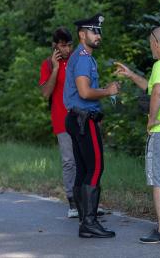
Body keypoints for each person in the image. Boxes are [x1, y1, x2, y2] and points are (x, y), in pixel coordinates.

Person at [115, 27, 160, 244]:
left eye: (150, 43)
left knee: (159, 180)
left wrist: (151, 119)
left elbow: (157, 92)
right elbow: (151, 87)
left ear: (157, 43)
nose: (150, 48)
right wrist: (131, 75)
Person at [64, 14, 119, 238]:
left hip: (78, 118)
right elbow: (85, 92)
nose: (98, 35)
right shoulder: (84, 58)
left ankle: (84, 219)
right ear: (81, 34)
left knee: (83, 169)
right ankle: (89, 222)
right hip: (83, 120)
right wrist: (108, 91)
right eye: (93, 31)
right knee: (95, 169)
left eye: (99, 31)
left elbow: (82, 92)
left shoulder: (81, 56)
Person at [38, 27, 78, 218]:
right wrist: (55, 68)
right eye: (63, 46)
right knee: (69, 161)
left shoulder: (77, 60)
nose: (67, 49)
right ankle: (72, 202)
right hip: (61, 119)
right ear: (55, 46)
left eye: (70, 45)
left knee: (85, 160)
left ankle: (88, 201)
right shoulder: (47, 64)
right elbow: (46, 93)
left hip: (81, 117)